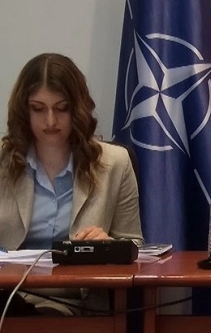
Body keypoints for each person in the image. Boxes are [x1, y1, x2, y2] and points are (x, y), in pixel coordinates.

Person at [0, 53, 143, 314]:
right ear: (24, 110)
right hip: (9, 296)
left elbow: (137, 249)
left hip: (79, 303)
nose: (50, 121)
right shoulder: (3, 163)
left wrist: (109, 246)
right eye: (38, 109)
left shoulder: (115, 163)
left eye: (62, 108)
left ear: (77, 108)